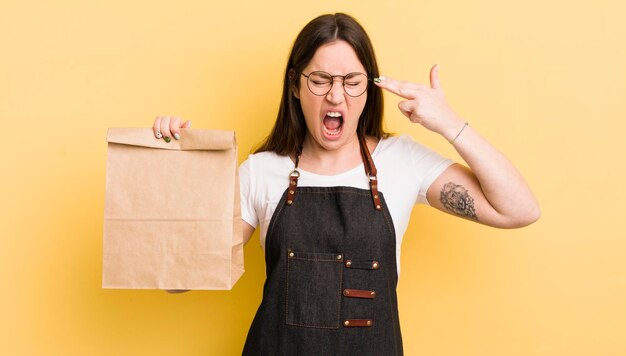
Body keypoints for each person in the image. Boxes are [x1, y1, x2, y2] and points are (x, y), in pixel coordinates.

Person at [152, 12, 540, 356]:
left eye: (352, 81)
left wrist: (449, 124)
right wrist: (178, 171)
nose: (336, 95)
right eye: (320, 80)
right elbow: (177, 281)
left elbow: (519, 209)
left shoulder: (402, 161)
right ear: (295, 85)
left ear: (368, 88)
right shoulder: (261, 171)